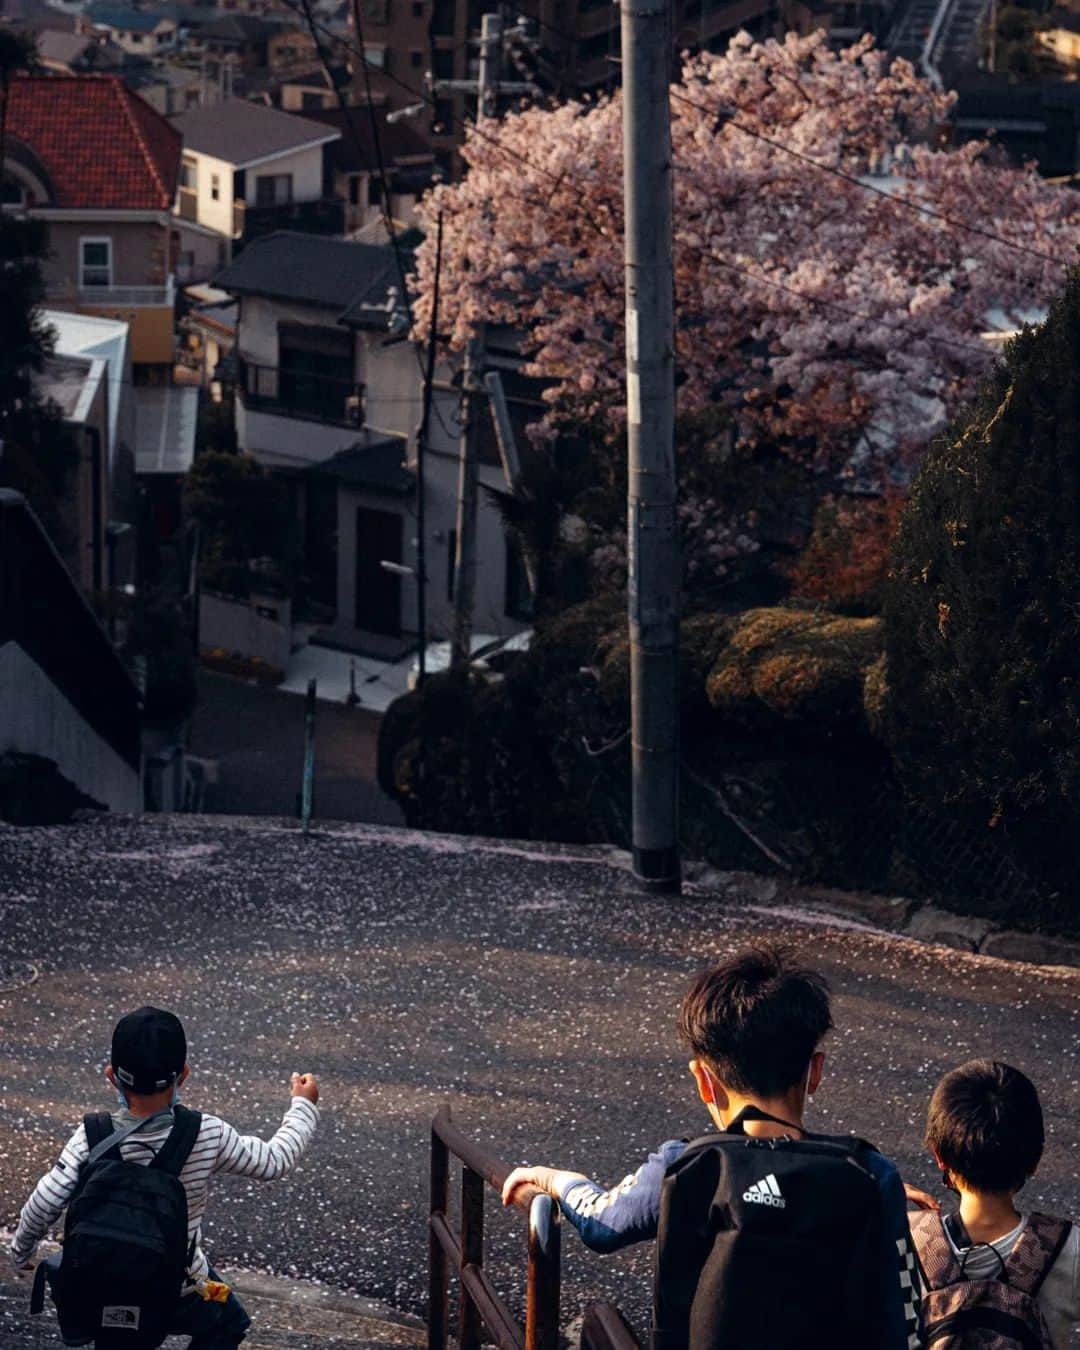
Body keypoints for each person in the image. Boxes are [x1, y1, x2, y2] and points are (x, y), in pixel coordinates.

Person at [502, 945, 925, 1350]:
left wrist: (553, 1180)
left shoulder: (684, 1164)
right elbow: (899, 1317)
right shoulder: (872, 1174)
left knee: (598, 1319)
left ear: (704, 1079)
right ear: (815, 1071)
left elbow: (603, 1225)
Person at [9, 1006, 320, 1348]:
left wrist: (21, 1252)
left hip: (102, 1285)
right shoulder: (207, 1134)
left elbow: (43, 1203)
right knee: (229, 1323)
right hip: (177, 1287)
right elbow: (275, 1161)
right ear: (182, 1075)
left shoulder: (90, 1137)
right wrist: (303, 1106)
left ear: (112, 1076)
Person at [910, 1060, 1080, 1348]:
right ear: (1035, 1160)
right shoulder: (1070, 1249)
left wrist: (877, 1192)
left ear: (939, 1156)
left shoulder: (902, 1238)